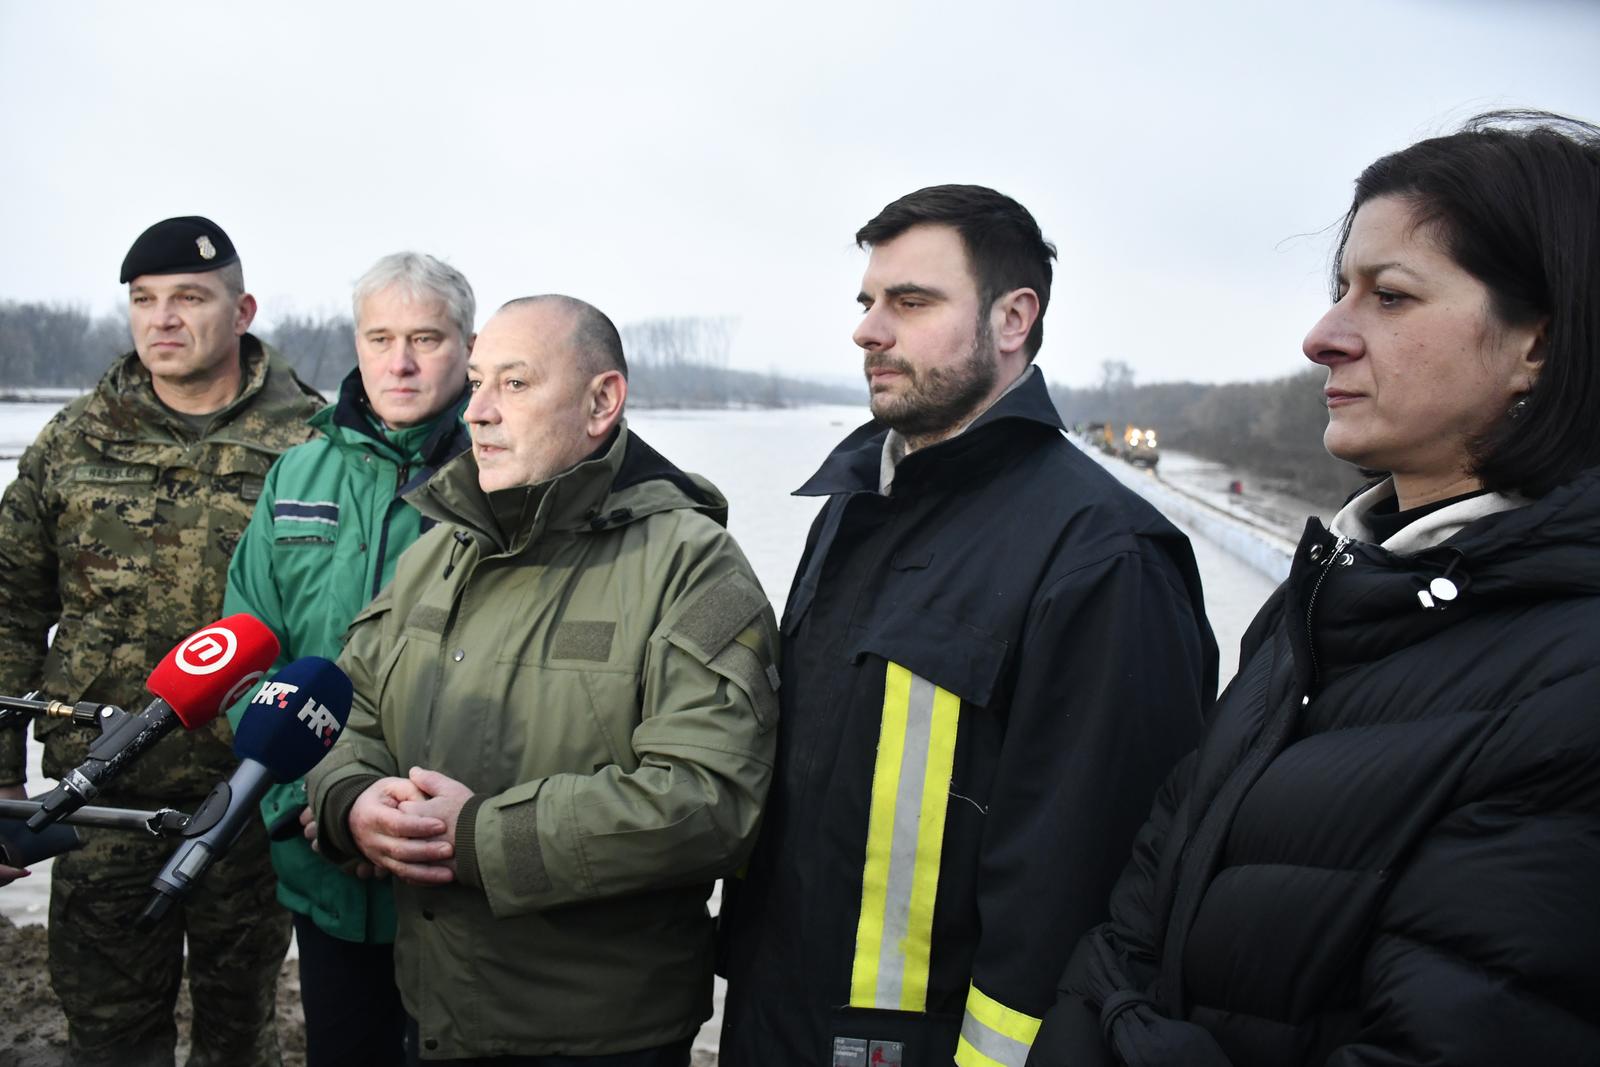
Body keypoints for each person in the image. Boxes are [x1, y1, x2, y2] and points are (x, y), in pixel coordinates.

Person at [1026, 111, 1600, 1067]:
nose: (1322, 336)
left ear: (1538, 341)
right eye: (1341, 289)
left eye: (1392, 297)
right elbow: (1130, 925)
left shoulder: (1573, 685)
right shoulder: (1320, 607)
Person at [717, 185, 1217, 1067]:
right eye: (867, 303)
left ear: (1013, 318)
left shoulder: (1104, 559)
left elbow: (1085, 898)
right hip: (781, 1028)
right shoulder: (857, 507)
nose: (870, 330)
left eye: (911, 302)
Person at [305, 295, 779, 1064]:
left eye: (515, 385)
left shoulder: (691, 565)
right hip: (428, 1007)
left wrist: (480, 838)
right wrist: (350, 800)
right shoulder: (437, 552)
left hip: (598, 1033)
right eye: (478, 382)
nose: (477, 413)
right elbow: (347, 707)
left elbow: (710, 800)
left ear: (602, 401)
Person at [0, 216, 323, 1067]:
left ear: (243, 307)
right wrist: (1, 780)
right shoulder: (76, 438)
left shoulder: (315, 445)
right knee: (106, 1032)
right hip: (98, 793)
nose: (163, 319)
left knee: (239, 1029)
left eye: (189, 297)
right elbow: (7, 604)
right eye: (144, 300)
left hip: (251, 795)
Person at [223, 251, 475, 1066]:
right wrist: (318, 806)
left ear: (469, 345)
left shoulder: (504, 469)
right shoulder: (300, 469)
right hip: (320, 862)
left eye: (425, 337)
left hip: (451, 865)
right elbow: (242, 656)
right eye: (380, 337)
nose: (399, 361)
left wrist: (403, 815)